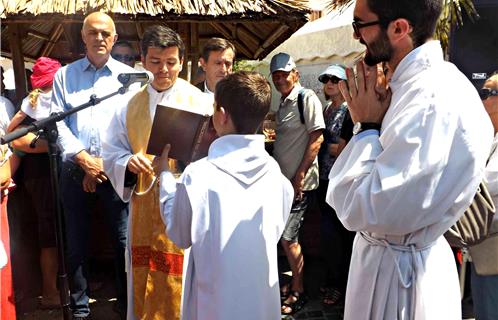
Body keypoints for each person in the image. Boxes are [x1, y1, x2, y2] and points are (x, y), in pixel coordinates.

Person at [326, 0, 494, 319]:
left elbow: (363, 208)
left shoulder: (429, 99)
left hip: (400, 285)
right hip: (402, 263)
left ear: (399, 29)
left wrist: (367, 127)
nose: (355, 37)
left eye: (360, 26)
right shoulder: (429, 85)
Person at [157, 70, 293, 320]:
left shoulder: (198, 176)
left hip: (215, 302)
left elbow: (179, 233)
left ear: (220, 115)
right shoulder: (277, 176)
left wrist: (165, 176)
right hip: (259, 298)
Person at [102, 25, 210, 320]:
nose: (164, 70)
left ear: (181, 61)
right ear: (142, 60)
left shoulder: (200, 102)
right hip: (143, 203)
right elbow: (111, 150)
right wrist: (127, 162)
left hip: (184, 200)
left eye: (171, 62)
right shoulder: (127, 103)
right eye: (155, 62)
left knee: (181, 276)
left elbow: (212, 154)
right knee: (143, 270)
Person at [51, 12, 136, 319]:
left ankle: (127, 306)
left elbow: (133, 127)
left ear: (114, 39)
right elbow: (58, 125)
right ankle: (80, 309)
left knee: (123, 242)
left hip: (114, 170)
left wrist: (102, 163)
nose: (99, 38)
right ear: (83, 37)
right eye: (93, 33)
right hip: (75, 170)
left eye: (105, 33)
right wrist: (84, 160)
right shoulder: (64, 76)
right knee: (76, 243)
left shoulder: (128, 78)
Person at [270, 52, 324, 315]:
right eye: (276, 76)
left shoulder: (307, 98)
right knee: (286, 236)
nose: (280, 79)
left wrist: (300, 175)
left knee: (288, 237)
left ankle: (299, 290)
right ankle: (294, 282)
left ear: (296, 74)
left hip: (298, 183)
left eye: (284, 74)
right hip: (284, 184)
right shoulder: (283, 102)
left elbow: (317, 138)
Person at [7, 57, 61, 309]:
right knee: (50, 231)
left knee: (57, 230)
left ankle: (59, 286)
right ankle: (50, 291)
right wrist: (52, 146)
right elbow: (14, 139)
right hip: (41, 176)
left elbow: (11, 130)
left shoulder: (30, 101)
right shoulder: (44, 100)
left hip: (45, 174)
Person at [316, 64, 355, 306]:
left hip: (339, 180)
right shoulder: (327, 109)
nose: (329, 83)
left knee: (339, 235)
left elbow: (344, 148)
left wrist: (328, 147)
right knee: (328, 234)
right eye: (326, 79)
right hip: (323, 177)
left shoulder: (348, 110)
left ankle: (339, 284)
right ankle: (333, 280)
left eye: (334, 79)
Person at [469, 72, 498, 320]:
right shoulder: (490, 136)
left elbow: (485, 184)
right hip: (485, 244)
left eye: (486, 93)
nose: (481, 99)